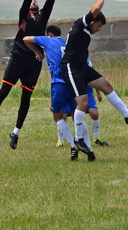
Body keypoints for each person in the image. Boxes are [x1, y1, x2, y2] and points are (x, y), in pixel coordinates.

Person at [60, 0, 128, 161]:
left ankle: (127, 116)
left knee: (106, 85)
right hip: (71, 67)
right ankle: (79, 139)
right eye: (99, 25)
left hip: (82, 67)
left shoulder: (86, 30)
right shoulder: (81, 24)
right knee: (82, 102)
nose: (99, 29)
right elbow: (95, 10)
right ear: (92, 21)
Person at [0, 0, 55, 150]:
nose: (34, 1)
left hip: (34, 62)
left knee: (26, 98)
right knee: (4, 90)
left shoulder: (42, 17)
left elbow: (51, 0)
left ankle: (15, 132)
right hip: (19, 58)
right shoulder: (23, 17)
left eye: (36, 0)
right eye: (32, 1)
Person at [24, 26, 83, 160]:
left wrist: (37, 52)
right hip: (72, 81)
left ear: (49, 34)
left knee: (57, 116)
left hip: (58, 82)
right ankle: (84, 142)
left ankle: (73, 145)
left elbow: (26, 39)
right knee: (76, 114)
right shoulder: (66, 43)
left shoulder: (48, 40)